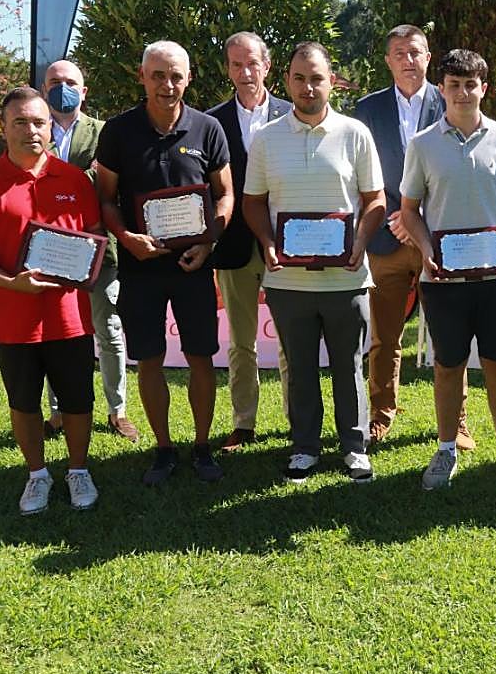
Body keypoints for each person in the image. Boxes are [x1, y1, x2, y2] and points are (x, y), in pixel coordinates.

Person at [0, 86, 102, 515]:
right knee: (23, 401)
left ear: (51, 127)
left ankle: (78, 470)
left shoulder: (75, 180)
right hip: (15, 318)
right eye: (19, 122)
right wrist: (11, 282)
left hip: (70, 316)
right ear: (3, 127)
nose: (30, 130)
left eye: (39, 122)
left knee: (78, 400)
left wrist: (85, 267)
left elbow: (94, 237)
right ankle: (37, 474)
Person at [242, 42, 386, 484]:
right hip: (288, 281)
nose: (308, 87)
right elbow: (253, 202)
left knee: (349, 366)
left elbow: (375, 200)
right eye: (300, 78)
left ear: (332, 82)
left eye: (317, 78)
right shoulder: (266, 138)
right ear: (287, 81)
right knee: (300, 368)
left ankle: (354, 447)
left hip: (346, 277)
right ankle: (304, 448)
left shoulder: (355, 133)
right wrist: (267, 242)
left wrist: (360, 242)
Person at [95, 40, 234, 485]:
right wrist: (125, 238)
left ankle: (202, 446)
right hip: (140, 269)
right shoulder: (118, 131)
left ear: (188, 79)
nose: (167, 85)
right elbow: (105, 199)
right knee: (150, 360)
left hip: (194, 266)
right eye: (158, 75)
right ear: (142, 77)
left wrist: (209, 242)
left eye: (176, 76)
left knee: (201, 358)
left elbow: (225, 194)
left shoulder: (208, 128)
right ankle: (163, 448)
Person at [399, 49, 496, 491]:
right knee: (448, 366)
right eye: (454, 85)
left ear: (484, 88)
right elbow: (409, 210)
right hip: (443, 280)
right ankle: (446, 449)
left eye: (470, 84)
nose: (462, 93)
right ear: (442, 89)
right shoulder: (422, 144)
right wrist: (425, 249)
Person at [354, 25, 475, 450]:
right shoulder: (367, 109)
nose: (408, 60)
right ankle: (380, 415)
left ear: (428, 58)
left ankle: (457, 422)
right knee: (384, 338)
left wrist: (418, 219)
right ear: (388, 60)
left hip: (437, 241)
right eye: (400, 53)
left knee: (448, 335)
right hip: (386, 239)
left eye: (416, 52)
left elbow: (462, 169)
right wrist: (397, 218)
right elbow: (362, 174)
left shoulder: (451, 103)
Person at [41, 59, 135, 443]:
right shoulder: (34, 131)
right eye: (53, 82)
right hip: (48, 249)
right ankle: (58, 413)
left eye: (69, 82)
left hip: (99, 250)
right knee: (55, 333)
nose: (61, 88)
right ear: (43, 89)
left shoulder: (105, 132)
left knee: (108, 330)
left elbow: (112, 184)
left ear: (84, 91)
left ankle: (118, 411)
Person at [206, 32, 292, 451]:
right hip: (234, 246)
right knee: (241, 342)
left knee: (292, 341)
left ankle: (298, 420)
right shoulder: (211, 122)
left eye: (252, 64)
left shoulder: (293, 115)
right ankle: (244, 422)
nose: (245, 72)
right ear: (228, 69)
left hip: (287, 244)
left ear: (267, 66)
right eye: (237, 65)